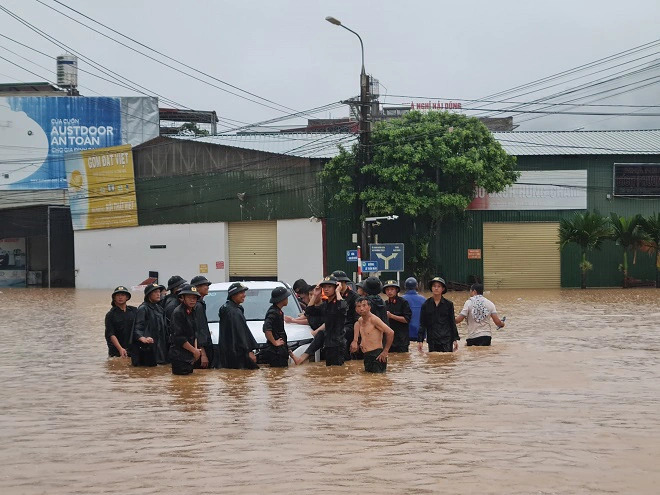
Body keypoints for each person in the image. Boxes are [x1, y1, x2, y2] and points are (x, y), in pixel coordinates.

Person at [301, 275, 347, 366]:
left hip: (337, 344)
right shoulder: (326, 304)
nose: (326, 289)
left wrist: (338, 291)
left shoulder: (338, 302)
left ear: (335, 287)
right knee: (330, 372)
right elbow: (309, 312)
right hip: (328, 343)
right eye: (324, 287)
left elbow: (343, 308)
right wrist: (315, 295)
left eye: (329, 287)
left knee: (336, 373)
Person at [218, 282, 259, 369]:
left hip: (228, 354)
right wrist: (249, 351)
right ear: (233, 295)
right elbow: (240, 334)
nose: (244, 295)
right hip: (237, 355)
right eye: (241, 293)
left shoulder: (228, 308)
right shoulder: (234, 312)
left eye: (244, 293)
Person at [350, 297, 394, 373]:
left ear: (369, 307)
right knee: (368, 381)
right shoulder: (360, 320)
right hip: (367, 355)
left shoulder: (374, 320)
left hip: (377, 355)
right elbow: (356, 324)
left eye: (364, 305)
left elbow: (390, 332)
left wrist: (385, 351)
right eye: (359, 306)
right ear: (356, 309)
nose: (361, 308)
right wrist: (355, 340)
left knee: (378, 381)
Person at [417, 277, 460, 353]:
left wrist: (455, 339)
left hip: (446, 339)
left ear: (443, 289)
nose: (436, 288)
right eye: (434, 286)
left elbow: (452, 322)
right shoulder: (426, 305)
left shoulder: (449, 304)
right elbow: (422, 323)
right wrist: (420, 340)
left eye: (439, 286)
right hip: (432, 340)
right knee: (433, 362)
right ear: (431, 288)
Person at [131, 283, 169, 366]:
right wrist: (142, 338)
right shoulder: (143, 309)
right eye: (155, 292)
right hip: (148, 348)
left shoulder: (160, 309)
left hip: (160, 349)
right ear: (148, 294)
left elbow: (166, 328)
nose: (158, 294)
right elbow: (137, 327)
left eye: (159, 291)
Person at [168, 284, 203, 375]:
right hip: (179, 356)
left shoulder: (193, 311)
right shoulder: (178, 313)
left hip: (190, 356)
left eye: (194, 298)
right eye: (189, 297)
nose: (192, 300)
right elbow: (179, 337)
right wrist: (194, 351)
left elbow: (195, 332)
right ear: (183, 298)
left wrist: (196, 351)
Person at [263, 287, 296, 367]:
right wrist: (274, 342)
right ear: (282, 299)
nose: (287, 299)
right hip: (276, 352)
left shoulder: (278, 311)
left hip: (281, 350)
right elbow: (266, 329)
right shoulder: (273, 312)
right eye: (286, 297)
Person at [332, 269, 359, 360]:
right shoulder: (332, 296)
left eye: (340, 283)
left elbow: (357, 320)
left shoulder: (354, 297)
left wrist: (355, 340)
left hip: (349, 328)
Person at [104, 286, 137, 358]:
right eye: (118, 295)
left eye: (122, 295)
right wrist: (120, 349)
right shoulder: (111, 314)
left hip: (132, 350)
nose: (120, 297)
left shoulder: (134, 310)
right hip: (117, 351)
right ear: (114, 298)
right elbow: (111, 334)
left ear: (127, 297)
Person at [190, 275, 213, 368]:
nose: (207, 287)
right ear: (196, 288)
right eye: (204, 285)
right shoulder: (197, 306)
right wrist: (203, 354)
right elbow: (198, 330)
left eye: (207, 285)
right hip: (200, 351)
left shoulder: (200, 304)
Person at [383, 280, 412, 352]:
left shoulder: (403, 303)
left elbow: (407, 319)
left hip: (402, 341)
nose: (389, 292)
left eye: (392, 289)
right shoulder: (384, 304)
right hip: (389, 341)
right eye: (387, 290)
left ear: (396, 290)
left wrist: (392, 316)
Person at [402, 277, 426, 342]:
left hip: (405, 334)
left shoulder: (401, 300)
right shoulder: (423, 300)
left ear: (405, 286)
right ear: (416, 286)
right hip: (421, 334)